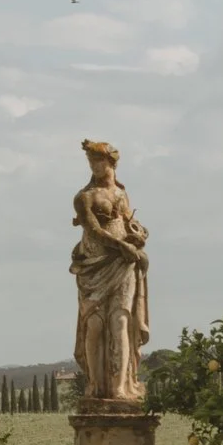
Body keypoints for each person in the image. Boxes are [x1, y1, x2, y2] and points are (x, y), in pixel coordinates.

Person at [70, 139, 149, 402]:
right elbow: (93, 230)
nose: (94, 166)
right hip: (95, 265)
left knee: (120, 322)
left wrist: (138, 234)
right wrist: (121, 245)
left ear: (112, 163)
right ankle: (96, 385)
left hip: (123, 264)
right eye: (91, 161)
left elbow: (127, 222)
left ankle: (119, 387)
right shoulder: (84, 197)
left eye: (99, 161)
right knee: (94, 325)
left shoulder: (121, 194)